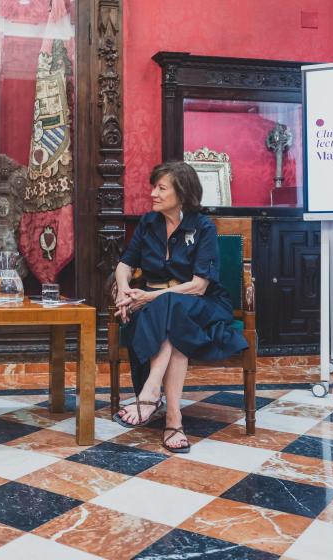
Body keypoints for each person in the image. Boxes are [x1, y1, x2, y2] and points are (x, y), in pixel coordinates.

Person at [113, 161, 248, 453]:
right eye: (154, 187)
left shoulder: (203, 227)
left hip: (203, 304)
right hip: (162, 309)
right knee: (173, 316)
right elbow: (125, 263)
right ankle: (174, 420)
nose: (153, 194)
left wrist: (146, 297)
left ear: (182, 193)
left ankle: (150, 392)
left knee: (174, 305)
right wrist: (124, 289)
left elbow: (199, 286)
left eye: (161, 188)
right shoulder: (148, 223)